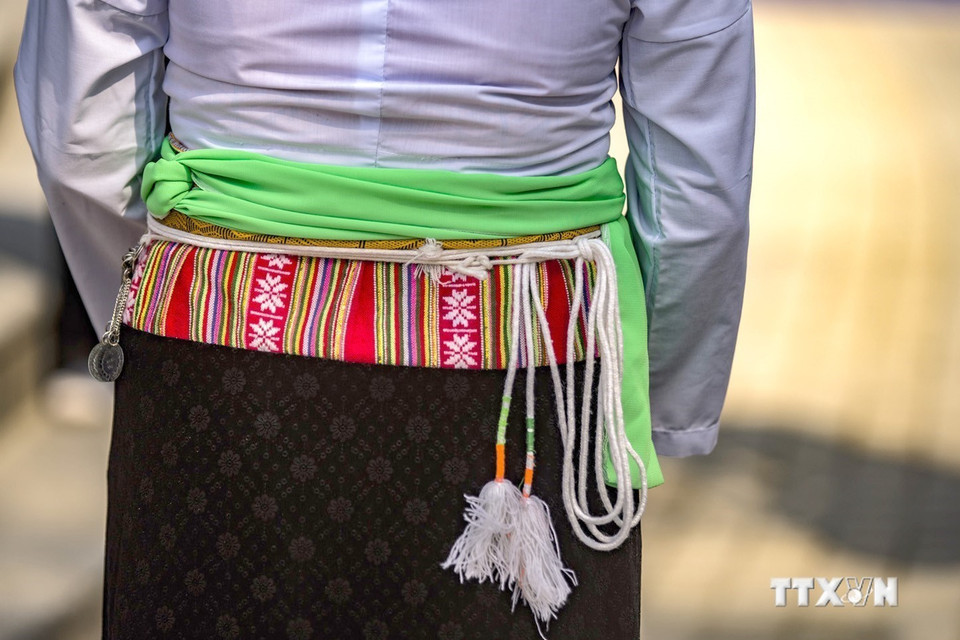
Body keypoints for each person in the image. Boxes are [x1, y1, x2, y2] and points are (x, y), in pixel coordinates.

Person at [15, 0, 755, 638]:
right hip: (529, 366)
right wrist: (650, 409)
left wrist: (160, 302)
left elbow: (82, 130)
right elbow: (700, 192)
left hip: (223, 340)